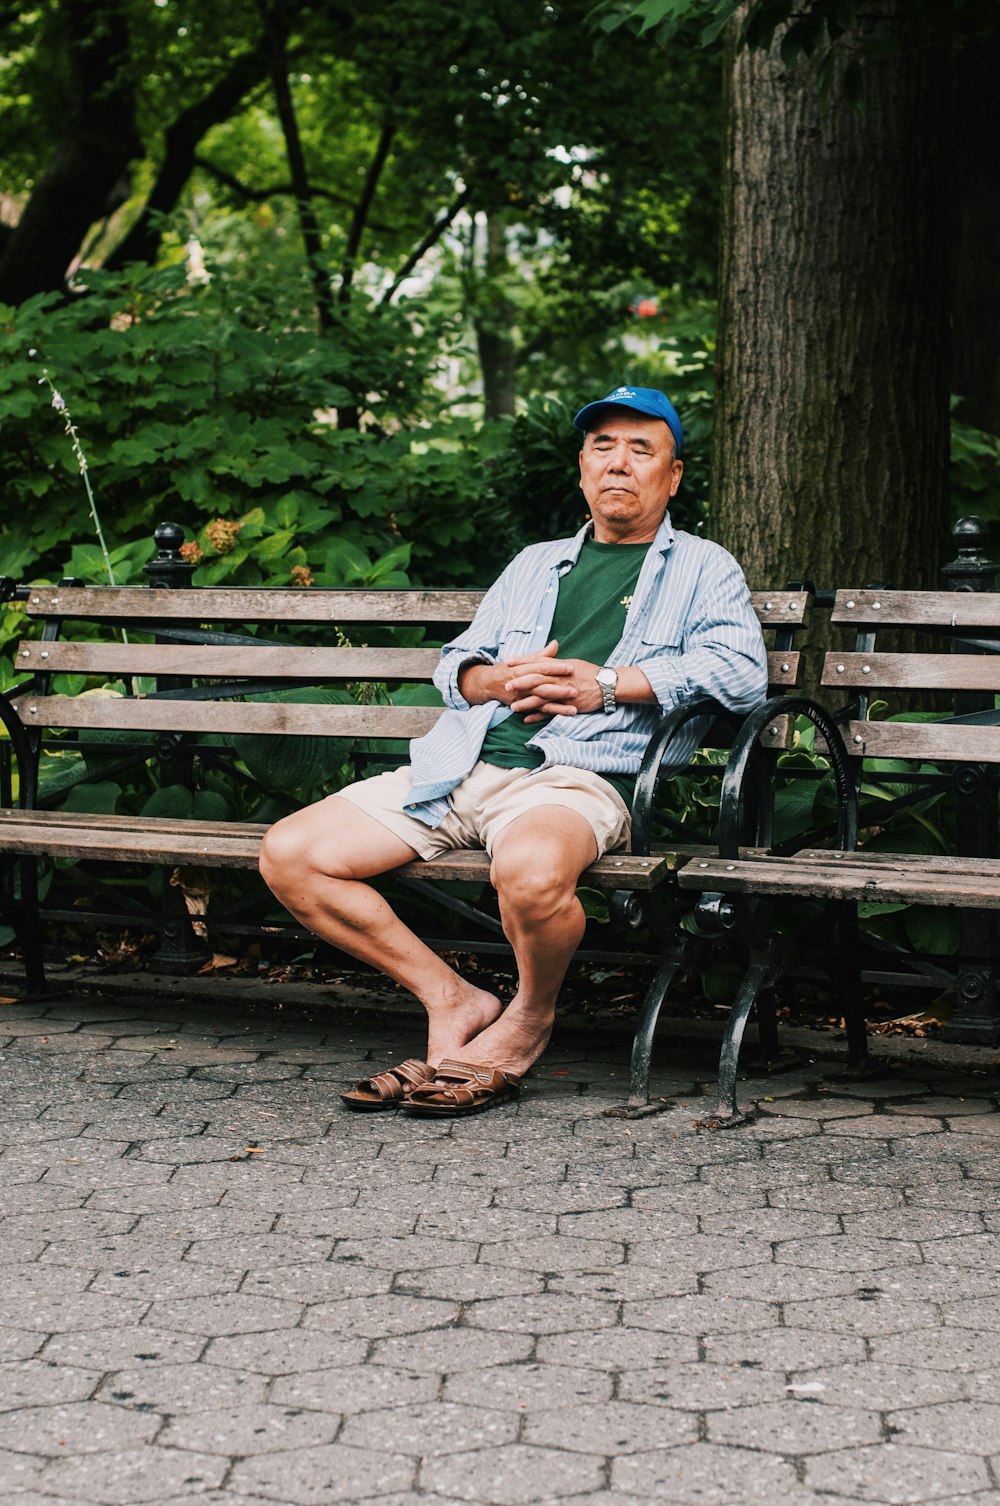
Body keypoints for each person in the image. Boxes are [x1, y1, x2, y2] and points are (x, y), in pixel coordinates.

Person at [258, 385, 767, 1116]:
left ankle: (528, 1017)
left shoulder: (703, 567)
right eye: (603, 447)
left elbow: (743, 676)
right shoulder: (534, 563)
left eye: (641, 449)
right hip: (461, 768)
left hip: (578, 778)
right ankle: (453, 998)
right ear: (582, 468)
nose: (619, 463)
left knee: (528, 874)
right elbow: (456, 663)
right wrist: (490, 678)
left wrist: (610, 684)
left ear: (673, 475)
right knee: (291, 854)